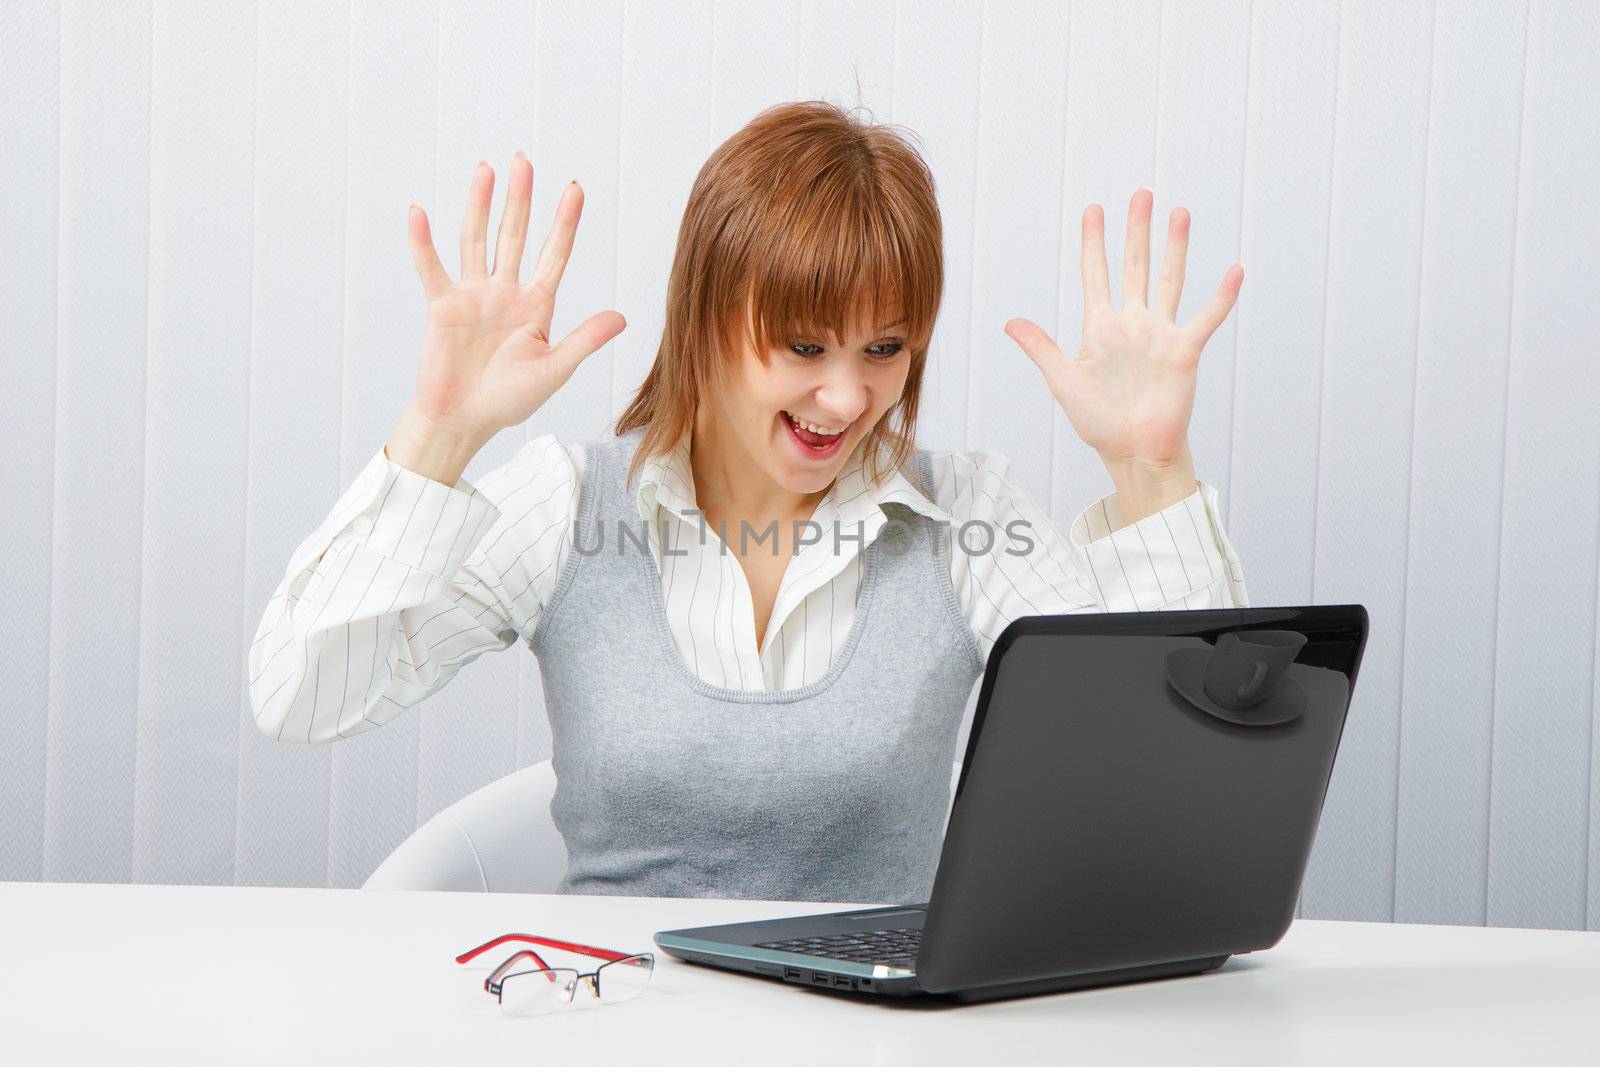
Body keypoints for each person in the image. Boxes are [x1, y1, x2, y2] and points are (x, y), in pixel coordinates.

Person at [248, 100, 1249, 904]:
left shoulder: (966, 517)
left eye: (885, 348)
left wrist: (1149, 465)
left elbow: (1190, 785)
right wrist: (440, 433)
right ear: (707, 319)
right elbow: (299, 696)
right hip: (617, 1027)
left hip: (876, 1037)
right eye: (804, 346)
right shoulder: (569, 502)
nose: (847, 396)